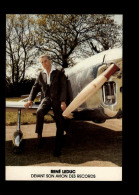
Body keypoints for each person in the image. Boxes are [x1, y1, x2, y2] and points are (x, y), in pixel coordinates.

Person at [24, 54, 67, 157]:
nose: (44, 63)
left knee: (59, 121)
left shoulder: (59, 72)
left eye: (45, 61)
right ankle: (39, 136)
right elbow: (35, 87)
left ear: (50, 61)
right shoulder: (40, 74)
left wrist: (63, 101)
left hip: (57, 99)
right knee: (39, 112)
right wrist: (30, 100)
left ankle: (58, 146)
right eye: (42, 62)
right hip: (46, 99)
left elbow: (63, 87)